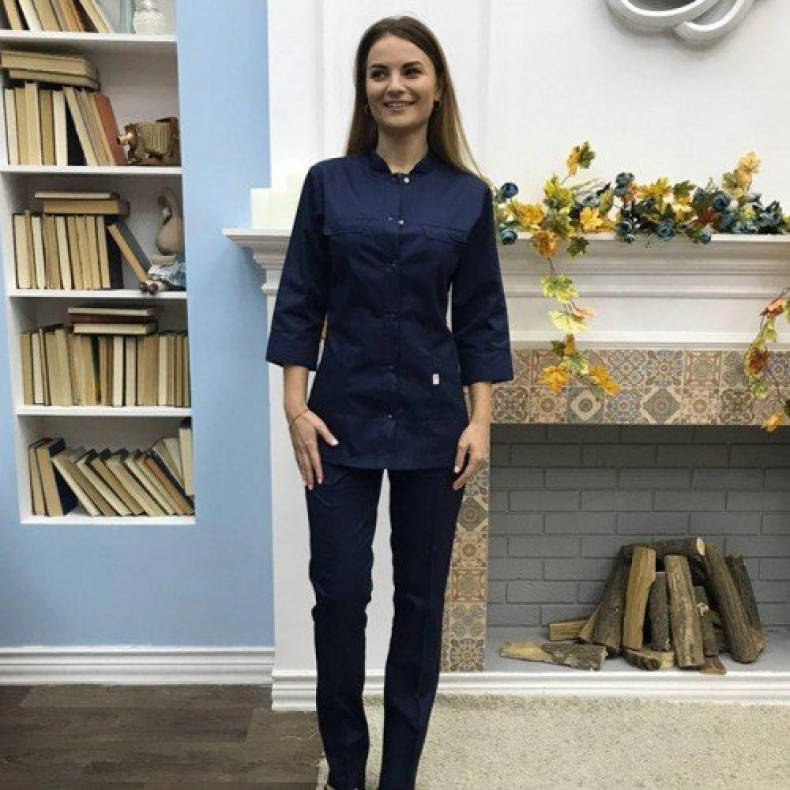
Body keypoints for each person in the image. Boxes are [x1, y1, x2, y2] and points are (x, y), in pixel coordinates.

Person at [265, 15, 513, 790]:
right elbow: (300, 300)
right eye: (379, 72)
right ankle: (346, 771)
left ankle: (399, 774)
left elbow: (480, 317)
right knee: (340, 596)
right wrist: (295, 407)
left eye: (410, 71)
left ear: (437, 87)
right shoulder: (328, 184)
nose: (394, 85)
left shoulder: (467, 197)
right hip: (337, 420)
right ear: (364, 88)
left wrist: (481, 421)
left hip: (436, 428)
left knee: (421, 603)